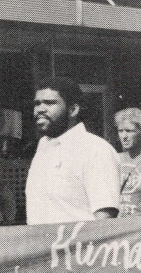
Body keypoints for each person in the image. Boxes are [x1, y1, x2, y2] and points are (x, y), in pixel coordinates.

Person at [26, 76, 120, 225]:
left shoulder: (95, 149)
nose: (40, 109)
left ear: (73, 109)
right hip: (41, 246)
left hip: (78, 247)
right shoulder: (43, 147)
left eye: (50, 103)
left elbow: (105, 220)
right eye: (37, 104)